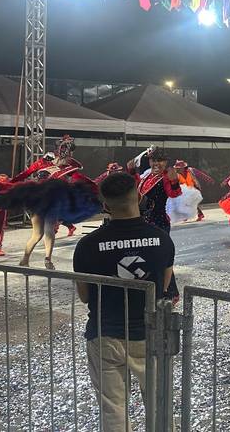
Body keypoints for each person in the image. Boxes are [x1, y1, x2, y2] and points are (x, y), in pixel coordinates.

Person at [73, 172, 175, 432]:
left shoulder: (87, 245)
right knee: (158, 404)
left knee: (113, 409)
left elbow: (84, 296)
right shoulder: (162, 240)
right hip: (150, 335)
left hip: (105, 334)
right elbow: (162, 288)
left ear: (105, 206)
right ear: (139, 197)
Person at [0, 136, 100, 269]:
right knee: (42, 232)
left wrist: (9, 185)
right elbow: (25, 175)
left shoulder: (68, 167)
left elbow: (25, 175)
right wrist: (8, 185)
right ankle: (39, 259)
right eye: (67, 150)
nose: (67, 153)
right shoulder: (50, 163)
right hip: (45, 201)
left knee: (43, 232)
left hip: (45, 201)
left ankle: (34, 259)